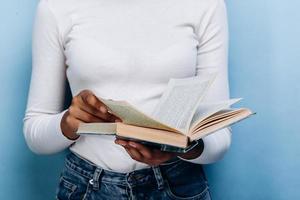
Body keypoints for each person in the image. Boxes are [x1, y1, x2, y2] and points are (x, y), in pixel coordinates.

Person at [23, 0, 231, 199]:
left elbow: (219, 133)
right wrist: (68, 123)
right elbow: (35, 133)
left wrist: (185, 146)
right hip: (86, 185)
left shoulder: (206, 4)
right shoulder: (56, 7)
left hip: (177, 184)